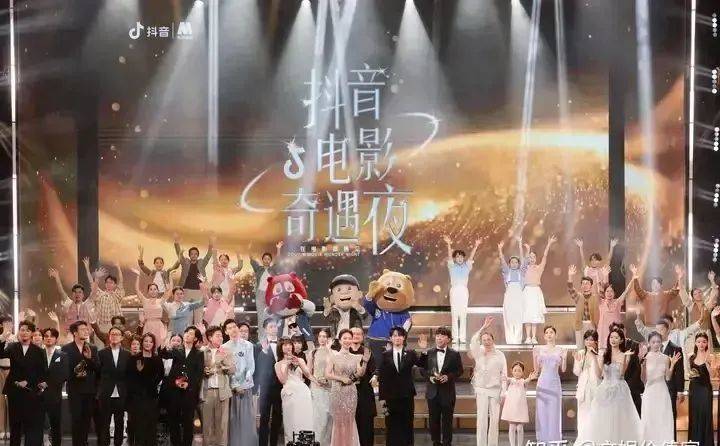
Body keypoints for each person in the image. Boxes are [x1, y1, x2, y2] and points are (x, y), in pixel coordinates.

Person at [574, 327, 642, 443]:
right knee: (602, 418)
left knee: (619, 418)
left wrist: (625, 358)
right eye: (611, 337)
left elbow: (621, 374)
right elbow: (599, 374)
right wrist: (594, 358)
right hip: (605, 389)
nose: (613, 340)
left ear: (621, 340)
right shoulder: (604, 354)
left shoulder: (625, 354)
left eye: (616, 338)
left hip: (619, 389)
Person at [0, 320, 46, 446]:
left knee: (29, 425)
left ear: (32, 333)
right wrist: (3, 337)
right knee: (15, 425)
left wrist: (28, 381)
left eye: (27, 330)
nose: (24, 332)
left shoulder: (38, 351)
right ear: (19, 332)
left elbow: (41, 373)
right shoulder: (12, 347)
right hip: (14, 390)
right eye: (22, 330)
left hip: (31, 392)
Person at [377, 326, 423, 446]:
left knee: (407, 423)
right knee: (391, 424)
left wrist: (423, 350)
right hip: (390, 396)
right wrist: (382, 398)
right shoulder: (385, 355)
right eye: (395, 335)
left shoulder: (411, 353)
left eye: (400, 335)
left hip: (407, 395)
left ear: (404, 338)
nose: (397, 338)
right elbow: (382, 378)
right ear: (391, 338)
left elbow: (423, 364)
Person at [161, 326, 205, 446]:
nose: (187, 335)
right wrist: (164, 341)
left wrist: (188, 384)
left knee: (188, 422)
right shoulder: (176, 350)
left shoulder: (199, 353)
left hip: (189, 392)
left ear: (195, 338)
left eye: (190, 333)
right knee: (173, 421)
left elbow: (198, 374)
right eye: (186, 332)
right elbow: (164, 354)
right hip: (174, 391)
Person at [420, 326, 463, 446]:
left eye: (442, 336)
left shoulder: (454, 354)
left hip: (447, 392)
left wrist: (448, 377)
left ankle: (447, 443)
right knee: (433, 420)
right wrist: (429, 377)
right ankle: (436, 442)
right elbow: (422, 369)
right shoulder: (428, 352)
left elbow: (459, 371)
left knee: (447, 420)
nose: (439, 338)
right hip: (432, 392)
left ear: (448, 339)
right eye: (437, 336)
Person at [326, 329, 370, 446]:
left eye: (349, 338)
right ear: (340, 340)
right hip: (337, 391)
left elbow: (359, 374)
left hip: (351, 392)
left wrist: (365, 363)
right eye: (344, 338)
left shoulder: (357, 357)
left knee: (350, 420)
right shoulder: (333, 356)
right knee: (338, 421)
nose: (347, 340)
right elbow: (327, 374)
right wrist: (341, 378)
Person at [62, 320, 101, 446]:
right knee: (76, 420)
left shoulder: (93, 348)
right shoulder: (66, 349)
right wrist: (75, 373)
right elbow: (64, 370)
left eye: (87, 329)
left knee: (86, 420)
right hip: (75, 390)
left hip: (89, 390)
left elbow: (98, 368)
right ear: (75, 332)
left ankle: (84, 442)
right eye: (83, 329)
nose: (86, 331)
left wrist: (89, 359)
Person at [467, 317, 505, 446]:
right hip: (481, 389)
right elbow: (473, 341)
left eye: (489, 339)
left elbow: (504, 374)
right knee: (481, 419)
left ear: (493, 340)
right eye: (484, 340)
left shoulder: (500, 354)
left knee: (494, 421)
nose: (487, 342)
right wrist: (483, 327)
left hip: (495, 390)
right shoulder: (478, 352)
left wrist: (503, 391)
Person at [640, 331, 681, 444]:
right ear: (649, 343)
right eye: (653, 342)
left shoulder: (665, 358)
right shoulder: (645, 357)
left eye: (658, 341)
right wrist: (642, 366)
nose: (656, 344)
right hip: (650, 392)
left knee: (663, 418)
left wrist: (672, 364)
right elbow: (643, 379)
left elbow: (668, 377)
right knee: (650, 419)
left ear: (661, 343)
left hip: (662, 391)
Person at [222, 320, 257, 446]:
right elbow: (226, 369)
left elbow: (251, 366)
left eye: (234, 326)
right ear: (226, 332)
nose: (233, 329)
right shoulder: (223, 348)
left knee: (247, 418)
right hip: (231, 389)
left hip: (246, 387)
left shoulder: (248, 345)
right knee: (232, 418)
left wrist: (244, 383)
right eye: (230, 328)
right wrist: (235, 384)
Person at [275, 337, 315, 444]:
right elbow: (283, 380)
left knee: (305, 420)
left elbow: (308, 374)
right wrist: (287, 365)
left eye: (289, 344)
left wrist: (300, 364)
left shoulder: (300, 360)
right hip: (289, 395)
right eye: (285, 345)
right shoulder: (278, 364)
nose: (288, 347)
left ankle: (306, 443)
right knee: (291, 422)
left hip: (303, 393)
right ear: (280, 348)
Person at [442, 235, 481, 344]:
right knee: (454, 314)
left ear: (463, 258)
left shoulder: (467, 266)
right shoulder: (452, 266)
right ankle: (455, 338)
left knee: (463, 315)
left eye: (461, 257)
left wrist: (476, 246)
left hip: (463, 290)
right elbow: (449, 257)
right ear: (455, 258)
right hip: (454, 290)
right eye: (457, 257)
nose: (459, 258)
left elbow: (471, 257)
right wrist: (448, 244)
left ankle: (463, 338)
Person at [201, 326, 235, 446]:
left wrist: (223, 366)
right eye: (218, 335)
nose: (221, 338)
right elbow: (197, 370)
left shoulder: (226, 351)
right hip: (207, 391)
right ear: (210, 337)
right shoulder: (202, 351)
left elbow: (232, 370)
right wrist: (204, 371)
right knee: (207, 425)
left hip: (223, 392)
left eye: (221, 335)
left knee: (222, 425)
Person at [97, 326, 131, 446]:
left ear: (121, 337)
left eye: (117, 334)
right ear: (109, 336)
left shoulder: (127, 354)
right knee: (104, 422)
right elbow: (97, 373)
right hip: (106, 392)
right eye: (112, 334)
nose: (114, 336)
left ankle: (118, 443)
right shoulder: (101, 353)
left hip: (121, 393)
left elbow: (129, 375)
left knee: (119, 422)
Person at [128, 333, 163, 446]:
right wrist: (139, 372)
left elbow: (160, 375)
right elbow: (130, 377)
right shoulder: (134, 358)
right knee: (139, 425)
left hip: (151, 396)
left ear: (153, 344)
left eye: (150, 342)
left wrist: (151, 384)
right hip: (137, 397)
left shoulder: (157, 359)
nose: (148, 343)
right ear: (142, 343)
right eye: (146, 341)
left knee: (151, 425)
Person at [533, 326, 566, 443]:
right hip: (542, 382)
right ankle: (543, 439)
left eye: (551, 332)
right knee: (542, 411)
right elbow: (536, 370)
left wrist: (564, 358)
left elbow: (563, 369)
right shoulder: (538, 349)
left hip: (555, 383)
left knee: (554, 411)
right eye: (546, 332)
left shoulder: (561, 349)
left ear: (555, 335)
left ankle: (553, 439)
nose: (549, 334)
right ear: (544, 336)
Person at [521, 234, 556, 344]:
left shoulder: (539, 268)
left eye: (533, 257)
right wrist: (527, 250)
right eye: (530, 257)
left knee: (535, 315)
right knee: (527, 315)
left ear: (536, 258)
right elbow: (523, 259)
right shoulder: (524, 268)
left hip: (536, 291)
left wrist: (549, 244)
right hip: (527, 291)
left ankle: (534, 337)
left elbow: (545, 257)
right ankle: (528, 337)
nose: (531, 259)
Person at [173, 233, 214, 325]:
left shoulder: (201, 263)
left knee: (198, 316)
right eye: (192, 254)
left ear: (198, 255)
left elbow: (208, 256)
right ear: (189, 255)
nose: (194, 255)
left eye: (196, 254)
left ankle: (198, 333)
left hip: (199, 292)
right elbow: (179, 254)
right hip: (186, 291)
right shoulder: (185, 262)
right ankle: (188, 333)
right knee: (187, 316)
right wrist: (176, 242)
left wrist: (211, 244)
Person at [608, 321, 645, 415]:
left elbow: (637, 368)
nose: (618, 334)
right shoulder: (610, 348)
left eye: (620, 331)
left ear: (624, 330)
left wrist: (629, 386)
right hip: (616, 386)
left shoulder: (634, 345)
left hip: (632, 385)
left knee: (635, 413)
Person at [39, 327, 68, 446]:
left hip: (54, 394)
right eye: (46, 336)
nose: (48, 338)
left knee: (56, 423)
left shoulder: (63, 355)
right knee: (37, 423)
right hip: (38, 393)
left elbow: (64, 374)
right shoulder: (38, 354)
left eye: (51, 336)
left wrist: (48, 383)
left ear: (56, 339)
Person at [256, 319, 283, 446]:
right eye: (271, 326)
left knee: (278, 417)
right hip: (265, 387)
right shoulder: (259, 345)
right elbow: (257, 365)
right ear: (265, 329)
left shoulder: (283, 343)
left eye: (275, 326)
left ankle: (274, 443)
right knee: (264, 417)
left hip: (280, 385)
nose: (274, 328)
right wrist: (265, 351)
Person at [249, 241, 283, 339]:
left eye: (268, 259)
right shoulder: (258, 269)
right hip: (260, 295)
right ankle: (262, 339)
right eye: (265, 259)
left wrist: (278, 248)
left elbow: (278, 261)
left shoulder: (273, 269)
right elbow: (251, 259)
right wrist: (250, 248)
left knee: (271, 316)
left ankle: (272, 337)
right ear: (262, 260)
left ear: (270, 261)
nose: (266, 260)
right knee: (261, 317)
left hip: (270, 295)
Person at [572, 329, 600, 443]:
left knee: (594, 415)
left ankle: (594, 440)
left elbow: (600, 374)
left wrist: (594, 357)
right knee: (582, 416)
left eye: (591, 340)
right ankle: (583, 440)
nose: (589, 342)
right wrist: (578, 362)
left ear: (596, 341)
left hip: (595, 388)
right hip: (583, 389)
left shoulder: (599, 354)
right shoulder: (581, 353)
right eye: (587, 339)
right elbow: (576, 372)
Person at [48, 268, 95, 337]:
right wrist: (57, 277)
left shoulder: (87, 305)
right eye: (75, 292)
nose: (77, 294)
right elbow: (61, 291)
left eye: (79, 292)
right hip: (71, 335)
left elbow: (94, 291)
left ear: (83, 295)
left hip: (84, 335)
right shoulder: (68, 303)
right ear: (72, 294)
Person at [348, 327, 376, 446]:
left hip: (365, 394)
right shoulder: (343, 351)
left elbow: (374, 371)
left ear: (363, 337)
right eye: (353, 334)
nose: (356, 336)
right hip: (347, 393)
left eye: (358, 334)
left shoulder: (367, 352)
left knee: (366, 427)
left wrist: (375, 377)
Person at [501, 362, 537, 446]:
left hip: (520, 409)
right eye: (515, 370)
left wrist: (530, 378)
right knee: (512, 427)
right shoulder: (511, 380)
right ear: (512, 371)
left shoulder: (523, 382)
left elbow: (526, 381)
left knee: (520, 428)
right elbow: (506, 378)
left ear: (522, 372)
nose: (517, 372)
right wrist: (502, 376)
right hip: (511, 408)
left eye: (519, 371)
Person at [687, 332, 714, 446]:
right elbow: (689, 373)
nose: (701, 344)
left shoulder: (710, 356)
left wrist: (707, 364)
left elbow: (712, 375)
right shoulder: (691, 357)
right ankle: (694, 442)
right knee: (695, 415)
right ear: (695, 343)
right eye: (698, 342)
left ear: (707, 343)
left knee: (705, 415)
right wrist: (690, 375)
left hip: (705, 389)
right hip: (694, 389)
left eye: (704, 342)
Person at [497, 238, 525, 345]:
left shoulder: (521, 272)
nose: (514, 264)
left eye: (516, 262)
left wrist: (520, 243)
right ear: (509, 264)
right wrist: (500, 249)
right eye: (512, 262)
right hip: (509, 295)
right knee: (508, 317)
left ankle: (517, 340)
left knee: (518, 317)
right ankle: (510, 340)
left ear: (518, 264)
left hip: (518, 296)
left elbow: (522, 258)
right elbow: (502, 260)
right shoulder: (507, 271)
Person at [131, 269, 171, 345]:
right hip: (148, 325)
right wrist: (138, 276)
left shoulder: (161, 300)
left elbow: (169, 291)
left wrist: (169, 277)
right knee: (148, 345)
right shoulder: (145, 301)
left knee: (159, 345)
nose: (153, 291)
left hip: (159, 326)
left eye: (155, 289)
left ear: (158, 291)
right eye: (151, 289)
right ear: (148, 291)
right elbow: (137, 289)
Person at [308, 328, 333, 445]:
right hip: (317, 388)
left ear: (329, 339)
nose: (322, 339)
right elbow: (308, 372)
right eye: (320, 336)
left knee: (329, 418)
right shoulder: (313, 353)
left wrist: (328, 381)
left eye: (324, 336)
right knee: (318, 419)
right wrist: (316, 381)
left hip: (330, 388)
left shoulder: (333, 352)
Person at [88, 260, 126, 335]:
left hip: (114, 325)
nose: (109, 284)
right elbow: (92, 284)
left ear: (115, 285)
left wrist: (118, 267)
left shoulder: (117, 295)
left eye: (111, 283)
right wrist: (96, 277)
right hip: (101, 324)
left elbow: (121, 281)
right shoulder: (100, 294)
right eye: (107, 282)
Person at [567, 265, 600, 348]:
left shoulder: (595, 297)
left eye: (587, 283)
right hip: (580, 324)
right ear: (581, 286)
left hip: (592, 324)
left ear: (591, 285)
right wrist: (570, 276)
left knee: (591, 346)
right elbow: (571, 289)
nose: (585, 285)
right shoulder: (578, 296)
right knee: (580, 347)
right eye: (583, 283)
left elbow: (602, 293)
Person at [597, 279, 631, 345]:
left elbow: (626, 291)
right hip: (603, 332)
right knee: (604, 349)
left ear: (614, 293)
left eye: (611, 291)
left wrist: (632, 279)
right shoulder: (601, 302)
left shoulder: (617, 302)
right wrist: (601, 277)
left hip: (616, 332)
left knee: (617, 348)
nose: (609, 293)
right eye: (607, 291)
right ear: (604, 293)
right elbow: (597, 291)